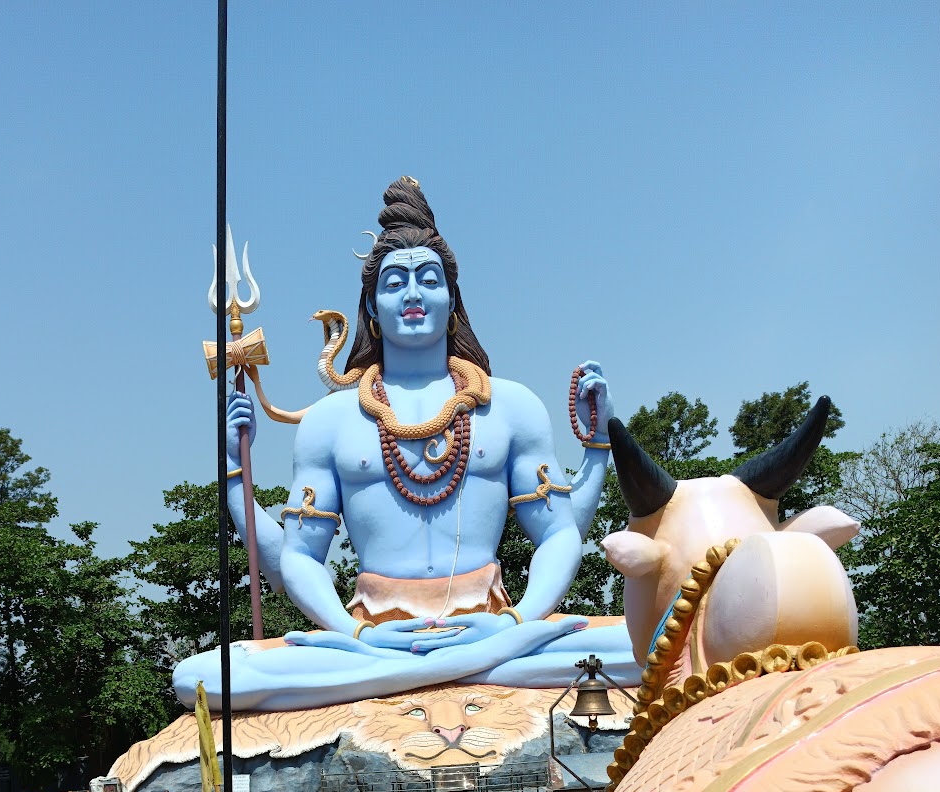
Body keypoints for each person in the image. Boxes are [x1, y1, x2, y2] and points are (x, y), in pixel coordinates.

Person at [175, 177, 636, 711]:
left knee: (654, 635)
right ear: (370, 304)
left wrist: (516, 621)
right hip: (374, 638)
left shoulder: (511, 406)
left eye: (428, 279)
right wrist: (236, 476)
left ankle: (439, 667)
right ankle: (460, 670)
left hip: (493, 626)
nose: (413, 295)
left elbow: (560, 535)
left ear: (452, 298)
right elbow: (298, 560)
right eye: (394, 282)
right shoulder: (329, 421)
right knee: (203, 677)